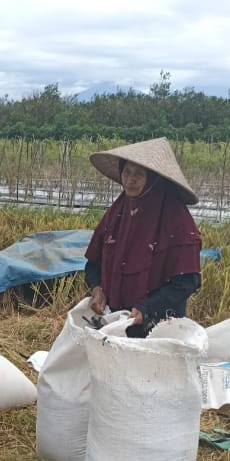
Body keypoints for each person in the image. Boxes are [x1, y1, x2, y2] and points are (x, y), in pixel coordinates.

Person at [85, 137, 202, 338]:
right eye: (127, 172)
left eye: (139, 174)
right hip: (118, 320)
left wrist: (148, 308)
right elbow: (93, 263)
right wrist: (97, 288)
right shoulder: (118, 212)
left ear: (154, 180)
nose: (130, 179)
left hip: (159, 326)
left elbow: (186, 282)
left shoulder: (176, 219)